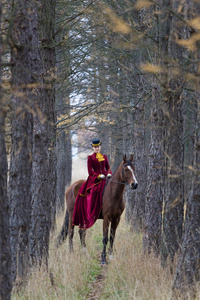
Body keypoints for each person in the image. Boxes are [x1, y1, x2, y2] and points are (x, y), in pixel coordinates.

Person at [72, 138, 112, 229]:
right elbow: (90, 171)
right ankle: (92, 211)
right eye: (95, 147)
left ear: (100, 147)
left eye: (98, 147)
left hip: (105, 178)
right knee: (94, 191)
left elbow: (108, 168)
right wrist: (98, 176)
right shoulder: (90, 158)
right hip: (94, 179)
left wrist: (109, 174)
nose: (97, 148)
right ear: (93, 148)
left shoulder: (104, 157)